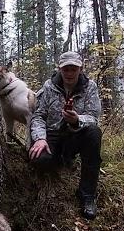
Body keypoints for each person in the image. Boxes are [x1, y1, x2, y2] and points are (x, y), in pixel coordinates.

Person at [29, 51, 102, 220]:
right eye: (66, 69)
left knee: (94, 133)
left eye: (73, 69)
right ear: (59, 69)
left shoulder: (90, 87)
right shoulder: (49, 87)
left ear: (80, 69)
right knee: (40, 160)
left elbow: (93, 117)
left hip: (76, 134)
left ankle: (87, 195)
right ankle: (60, 161)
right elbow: (38, 116)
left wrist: (77, 120)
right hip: (52, 134)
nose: (69, 73)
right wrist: (40, 138)